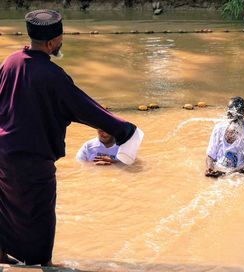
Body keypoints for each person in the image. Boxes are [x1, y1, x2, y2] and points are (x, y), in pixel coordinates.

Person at [0, 9, 140, 266]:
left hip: (3, 154)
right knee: (39, 216)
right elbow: (86, 108)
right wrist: (124, 130)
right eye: (61, 38)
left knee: (4, 207)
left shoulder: (10, 62)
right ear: (53, 42)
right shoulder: (54, 77)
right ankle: (41, 264)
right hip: (33, 160)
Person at [205, 96, 244, 178]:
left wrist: (226, 174)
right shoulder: (219, 128)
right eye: (231, 114)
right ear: (227, 113)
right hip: (220, 170)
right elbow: (210, 156)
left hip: (238, 176)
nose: (234, 118)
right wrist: (209, 169)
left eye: (237, 115)